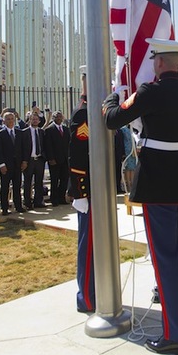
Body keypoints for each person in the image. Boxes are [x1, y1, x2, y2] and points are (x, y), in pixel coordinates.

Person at [104, 38, 178, 355]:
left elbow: (113, 119)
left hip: (158, 183)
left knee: (165, 259)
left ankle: (176, 335)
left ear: (160, 62)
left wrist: (110, 99)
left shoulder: (150, 91)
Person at [69, 67, 95, 314]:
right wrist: (81, 193)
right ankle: (86, 298)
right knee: (88, 246)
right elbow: (77, 157)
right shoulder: (83, 113)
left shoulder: (96, 109)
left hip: (100, 188)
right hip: (88, 190)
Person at [0, 111, 24, 214]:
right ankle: (5, 208)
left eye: (12, 119)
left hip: (18, 164)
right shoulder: (0, 134)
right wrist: (1, 164)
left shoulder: (19, 132)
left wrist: (24, 161)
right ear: (4, 121)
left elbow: (23, 148)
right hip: (6, 165)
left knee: (17, 186)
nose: (10, 121)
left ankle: (18, 206)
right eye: (8, 119)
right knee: (5, 187)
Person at [20, 112, 47, 209]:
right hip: (29, 160)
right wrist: (24, 161)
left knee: (39, 182)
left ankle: (38, 201)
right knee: (27, 182)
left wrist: (44, 157)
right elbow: (22, 148)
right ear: (29, 120)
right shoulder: (24, 132)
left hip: (39, 160)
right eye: (33, 119)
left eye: (36, 119)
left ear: (39, 121)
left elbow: (44, 145)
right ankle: (27, 202)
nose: (35, 121)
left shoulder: (41, 132)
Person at [43, 110, 70, 206]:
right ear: (53, 118)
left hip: (65, 159)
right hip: (54, 159)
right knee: (54, 180)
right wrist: (51, 158)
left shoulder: (66, 129)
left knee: (64, 179)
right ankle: (54, 199)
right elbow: (48, 146)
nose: (59, 118)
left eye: (60, 117)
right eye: (56, 117)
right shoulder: (49, 130)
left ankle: (61, 197)